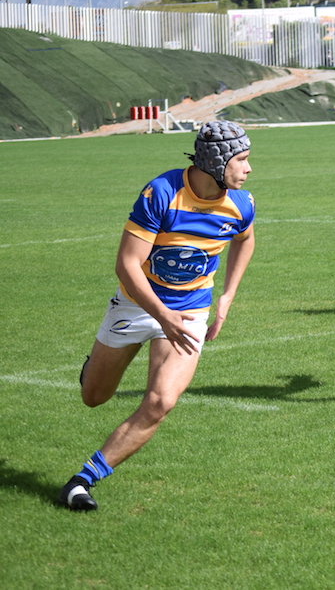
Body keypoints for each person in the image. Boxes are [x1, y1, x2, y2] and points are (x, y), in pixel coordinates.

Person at [60, 121, 256, 511]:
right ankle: (93, 368)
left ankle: (83, 481)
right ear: (217, 162)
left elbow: (245, 240)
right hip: (137, 304)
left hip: (189, 313)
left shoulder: (242, 203)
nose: (249, 169)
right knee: (93, 397)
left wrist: (227, 297)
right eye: (242, 160)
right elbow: (127, 265)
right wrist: (162, 314)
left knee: (160, 402)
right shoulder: (162, 193)